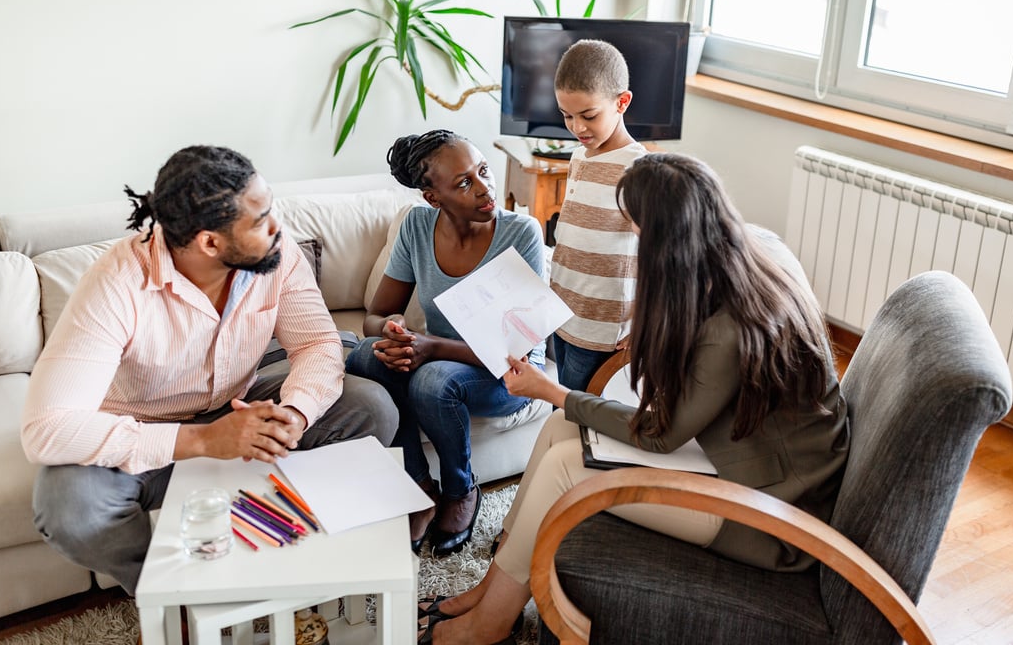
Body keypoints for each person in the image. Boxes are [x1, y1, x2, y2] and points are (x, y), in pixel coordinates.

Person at [418, 152, 851, 645]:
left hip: (769, 513)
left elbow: (660, 434)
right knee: (562, 428)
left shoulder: (731, 323)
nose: (634, 240)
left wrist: (552, 390)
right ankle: (495, 586)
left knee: (565, 464)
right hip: (740, 464)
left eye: (638, 228)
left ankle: (488, 624)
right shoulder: (733, 268)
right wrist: (563, 402)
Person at [21, 145, 398, 596]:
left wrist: (295, 413)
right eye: (260, 220)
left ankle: (292, 559)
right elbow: (46, 429)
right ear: (210, 242)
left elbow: (317, 342)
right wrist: (202, 439)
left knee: (371, 407)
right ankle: (172, 596)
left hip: (241, 400)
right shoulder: (116, 283)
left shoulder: (277, 253)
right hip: (144, 429)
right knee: (69, 508)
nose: (278, 227)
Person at [345, 130, 547, 558]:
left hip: (509, 372)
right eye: (463, 183)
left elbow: (517, 351)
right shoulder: (418, 227)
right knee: (364, 356)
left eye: (484, 172)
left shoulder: (521, 234)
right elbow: (374, 317)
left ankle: (460, 489)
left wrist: (430, 347)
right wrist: (394, 332)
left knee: (433, 381)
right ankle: (417, 488)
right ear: (433, 198)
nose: (484, 188)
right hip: (438, 354)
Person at [548, 39, 646, 393]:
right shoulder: (578, 157)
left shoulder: (638, 169)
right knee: (564, 399)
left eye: (588, 115)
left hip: (601, 327)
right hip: (562, 313)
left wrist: (646, 326)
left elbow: (658, 256)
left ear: (622, 102)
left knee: (578, 413)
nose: (577, 127)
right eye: (567, 115)